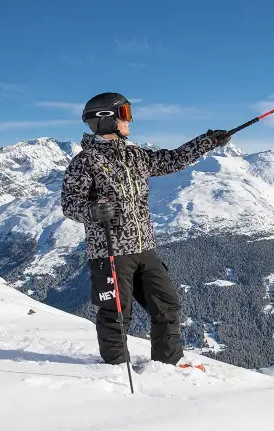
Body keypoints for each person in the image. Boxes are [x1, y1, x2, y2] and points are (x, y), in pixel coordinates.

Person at [61, 92, 232, 366]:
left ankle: (169, 363)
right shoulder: (85, 162)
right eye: (125, 113)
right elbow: (70, 204)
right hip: (110, 251)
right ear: (106, 120)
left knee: (167, 306)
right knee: (116, 314)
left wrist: (207, 141)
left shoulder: (135, 155)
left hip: (144, 248)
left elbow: (173, 160)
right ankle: (115, 369)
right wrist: (93, 211)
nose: (130, 120)